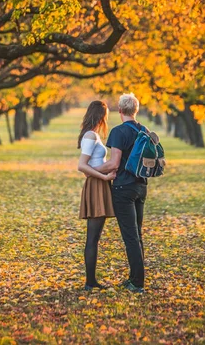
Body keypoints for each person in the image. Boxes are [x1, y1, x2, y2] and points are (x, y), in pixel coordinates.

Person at [96, 93, 147, 294]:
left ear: (119, 110)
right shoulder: (143, 130)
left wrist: (91, 170)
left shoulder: (118, 132)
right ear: (135, 110)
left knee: (130, 236)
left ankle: (137, 283)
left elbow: (114, 163)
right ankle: (135, 278)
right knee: (137, 234)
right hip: (141, 186)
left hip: (123, 188)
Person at [77, 101, 117, 291]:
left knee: (95, 236)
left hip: (99, 183)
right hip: (96, 184)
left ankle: (91, 280)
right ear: (101, 115)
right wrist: (104, 176)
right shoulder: (90, 136)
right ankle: (89, 281)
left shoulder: (92, 135)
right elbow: (82, 166)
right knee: (92, 237)